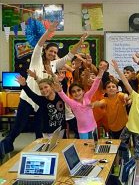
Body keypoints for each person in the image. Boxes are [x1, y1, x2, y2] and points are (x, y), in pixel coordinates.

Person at [0, 23, 86, 155]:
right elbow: (39, 44)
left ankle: (40, 150)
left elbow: (69, 56)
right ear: (45, 51)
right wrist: (48, 32)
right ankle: (6, 146)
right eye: (50, 51)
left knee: (39, 127)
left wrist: (80, 42)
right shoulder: (36, 60)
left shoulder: (54, 64)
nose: (53, 53)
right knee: (18, 126)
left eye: (55, 52)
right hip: (28, 98)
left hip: (43, 101)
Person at [54, 65, 104, 139]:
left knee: (94, 146)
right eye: (73, 92)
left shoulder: (87, 96)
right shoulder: (72, 103)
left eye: (78, 90)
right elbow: (63, 96)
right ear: (71, 94)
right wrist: (59, 90)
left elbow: (94, 86)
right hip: (82, 130)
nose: (77, 93)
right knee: (84, 148)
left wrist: (100, 73)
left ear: (83, 91)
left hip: (93, 127)